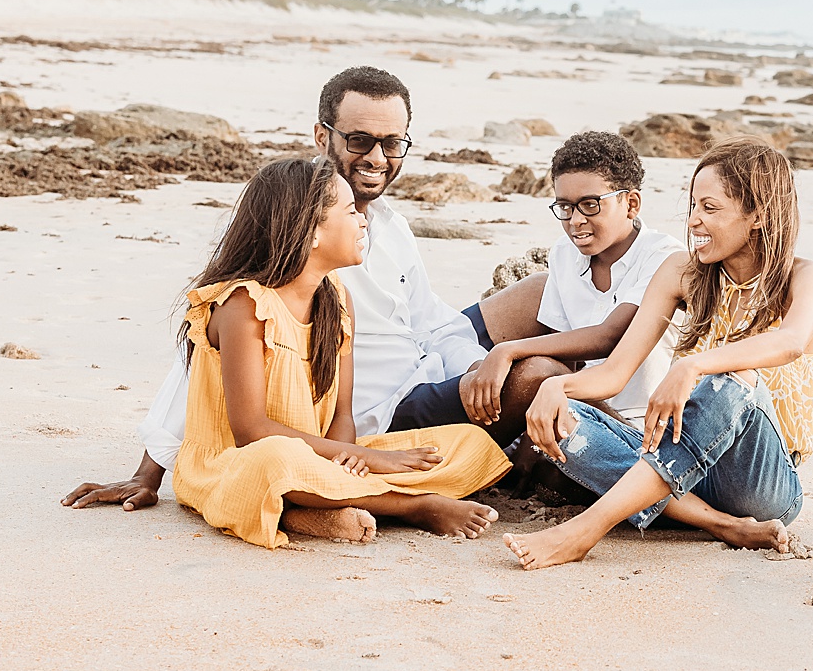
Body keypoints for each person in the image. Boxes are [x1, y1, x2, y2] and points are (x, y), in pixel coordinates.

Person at [62, 66, 565, 519]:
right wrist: (149, 471)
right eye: (361, 140)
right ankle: (528, 456)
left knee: (542, 292)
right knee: (539, 377)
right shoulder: (288, 227)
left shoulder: (388, 226)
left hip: (421, 364)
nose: (377, 158)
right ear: (323, 135)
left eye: (392, 143)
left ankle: (539, 439)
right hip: (386, 406)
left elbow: (429, 322)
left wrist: (482, 362)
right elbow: (201, 355)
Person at [503, 137, 813, 570]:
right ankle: (720, 524)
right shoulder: (680, 273)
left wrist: (693, 366)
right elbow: (613, 374)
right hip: (685, 470)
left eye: (710, 209)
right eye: (693, 205)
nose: (693, 221)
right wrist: (556, 385)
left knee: (730, 381)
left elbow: (790, 343)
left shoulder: (804, 277)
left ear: (758, 215)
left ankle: (585, 530)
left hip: (761, 483)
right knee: (568, 418)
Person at [176, 157, 511, 547]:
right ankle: (412, 506)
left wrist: (348, 455)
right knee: (277, 461)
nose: (363, 221)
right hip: (237, 464)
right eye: (351, 211)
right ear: (311, 230)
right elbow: (251, 431)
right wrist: (365, 461)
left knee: (465, 446)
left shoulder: (337, 299)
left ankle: (312, 509)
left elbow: (341, 414)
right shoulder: (245, 306)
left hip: (321, 455)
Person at [458, 131, 683, 434]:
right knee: (495, 380)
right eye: (565, 207)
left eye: (590, 205)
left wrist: (506, 350)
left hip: (642, 427)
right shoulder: (564, 254)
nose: (575, 220)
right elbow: (563, 355)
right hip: (578, 405)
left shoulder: (664, 257)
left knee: (537, 372)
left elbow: (609, 336)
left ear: (631, 204)